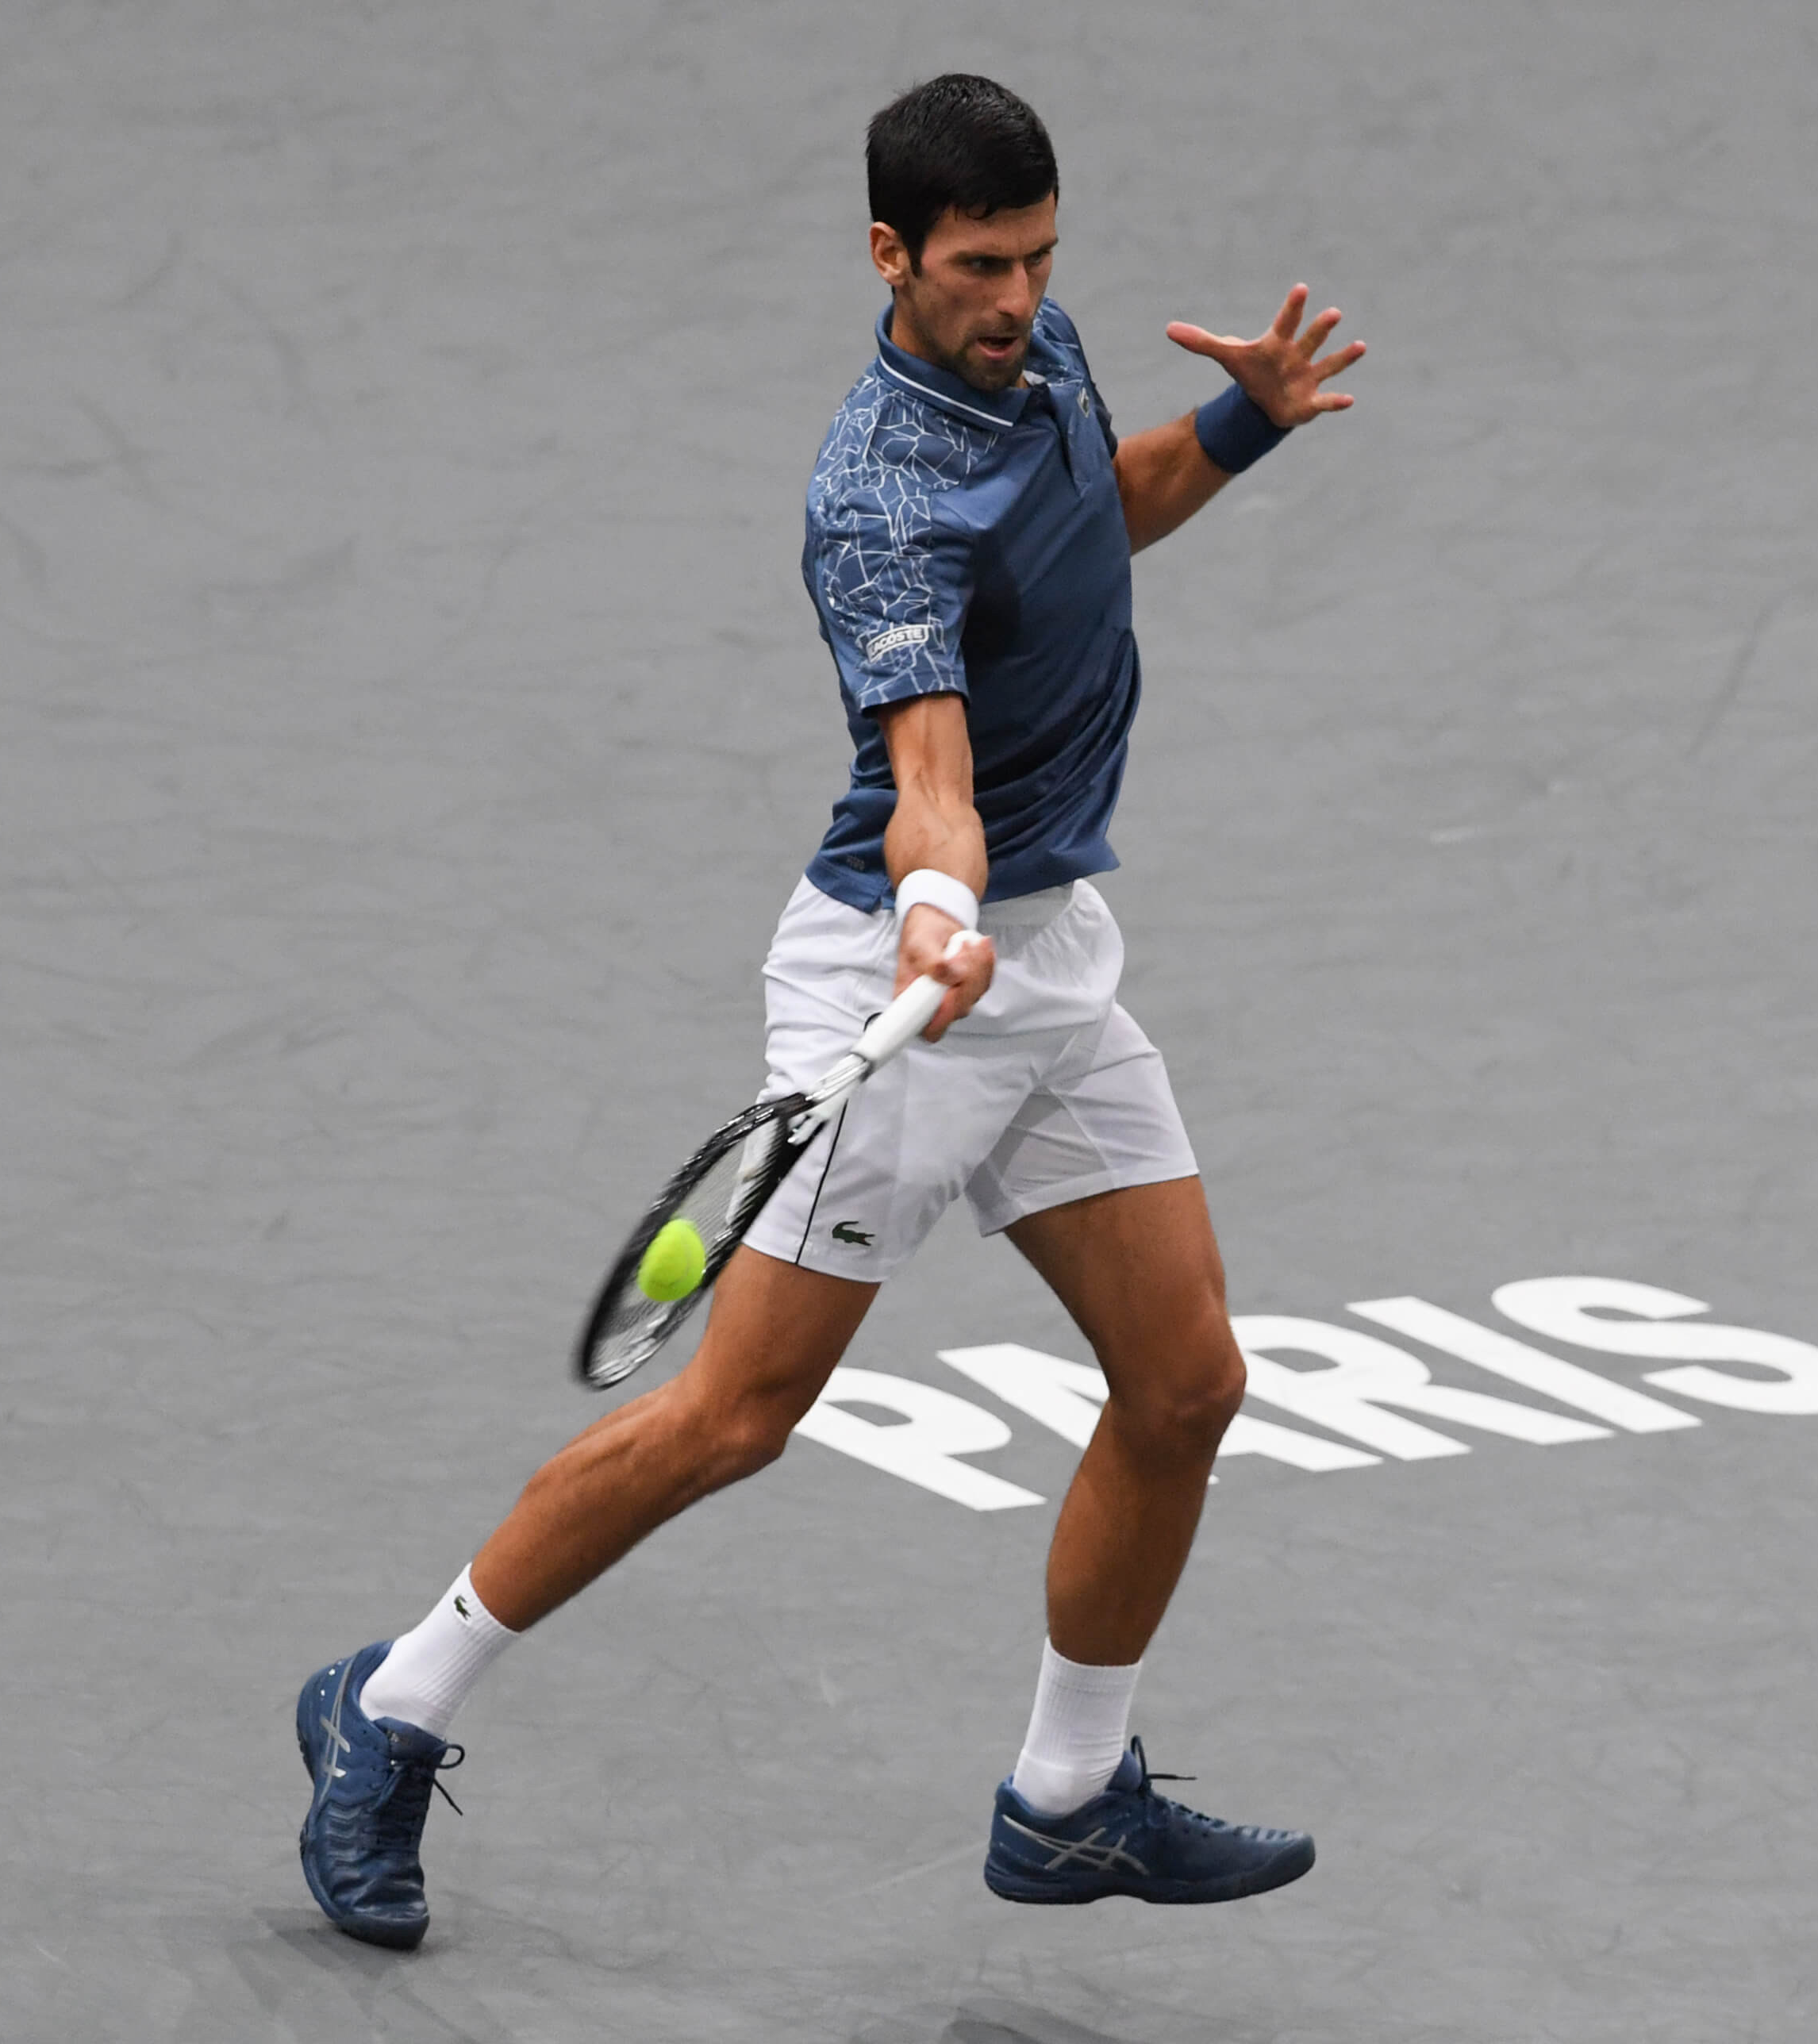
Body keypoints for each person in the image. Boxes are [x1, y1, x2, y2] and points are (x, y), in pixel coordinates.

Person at [294, 71, 1366, 1950]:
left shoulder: (1044, 351)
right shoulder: (873, 494)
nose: (1017, 296)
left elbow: (1105, 525)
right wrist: (941, 905)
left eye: (1040, 256)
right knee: (731, 1419)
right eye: (977, 266)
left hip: (1048, 970)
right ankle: (388, 1706)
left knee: (1188, 1382)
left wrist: (1244, 426)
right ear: (887, 254)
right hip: (903, 975)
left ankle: (1064, 1796)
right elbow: (927, 757)